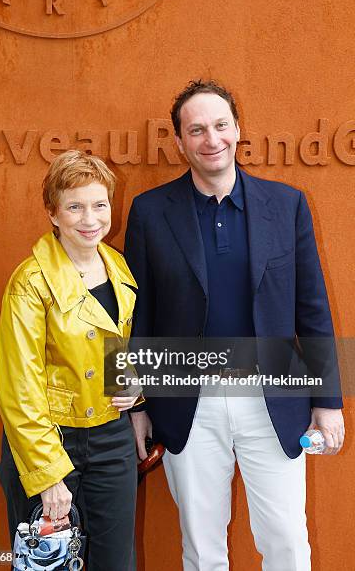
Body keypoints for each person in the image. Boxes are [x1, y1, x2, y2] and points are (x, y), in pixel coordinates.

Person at [125, 80, 345, 570]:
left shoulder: (286, 205)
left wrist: (328, 400)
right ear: (179, 141)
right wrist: (135, 405)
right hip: (188, 404)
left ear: (238, 129)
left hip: (274, 399)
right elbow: (134, 314)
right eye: (196, 129)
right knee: (202, 550)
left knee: (287, 540)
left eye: (220, 125)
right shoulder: (150, 211)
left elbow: (312, 307)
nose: (212, 139)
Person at [0, 150, 142, 571]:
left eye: (99, 205)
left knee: (116, 564)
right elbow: (19, 387)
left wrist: (130, 382)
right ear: (53, 213)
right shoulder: (30, 282)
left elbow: (113, 344)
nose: (90, 218)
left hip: (111, 441)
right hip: (51, 440)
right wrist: (47, 475)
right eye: (75, 206)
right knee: (50, 565)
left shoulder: (117, 265)